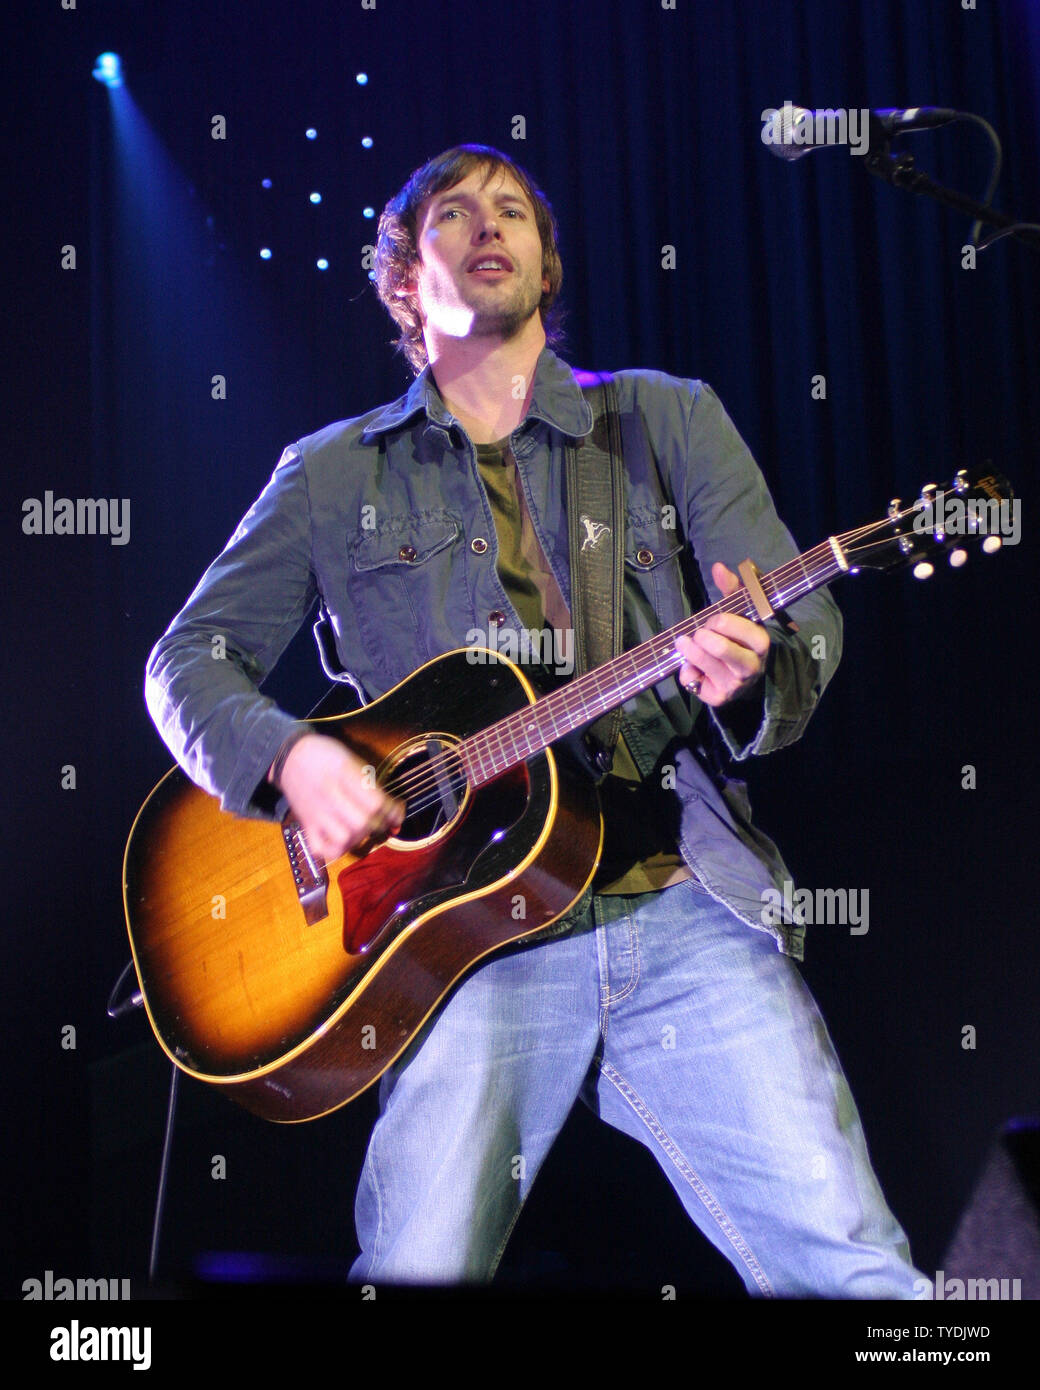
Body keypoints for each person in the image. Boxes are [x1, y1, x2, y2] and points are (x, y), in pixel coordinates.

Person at [145, 143, 926, 1296]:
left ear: (546, 269)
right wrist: (292, 757)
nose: (486, 224)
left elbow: (792, 624)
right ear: (404, 278)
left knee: (857, 1274)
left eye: (511, 209)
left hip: (675, 901)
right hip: (467, 943)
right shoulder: (326, 475)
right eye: (451, 214)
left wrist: (747, 670)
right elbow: (185, 661)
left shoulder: (665, 418)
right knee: (416, 1269)